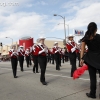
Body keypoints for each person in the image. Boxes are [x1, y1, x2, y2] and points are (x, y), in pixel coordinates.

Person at [80, 22, 100, 99]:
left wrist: (81, 59)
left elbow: (82, 50)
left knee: (93, 78)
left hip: (91, 59)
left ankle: (93, 94)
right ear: (96, 29)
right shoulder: (99, 37)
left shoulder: (86, 38)